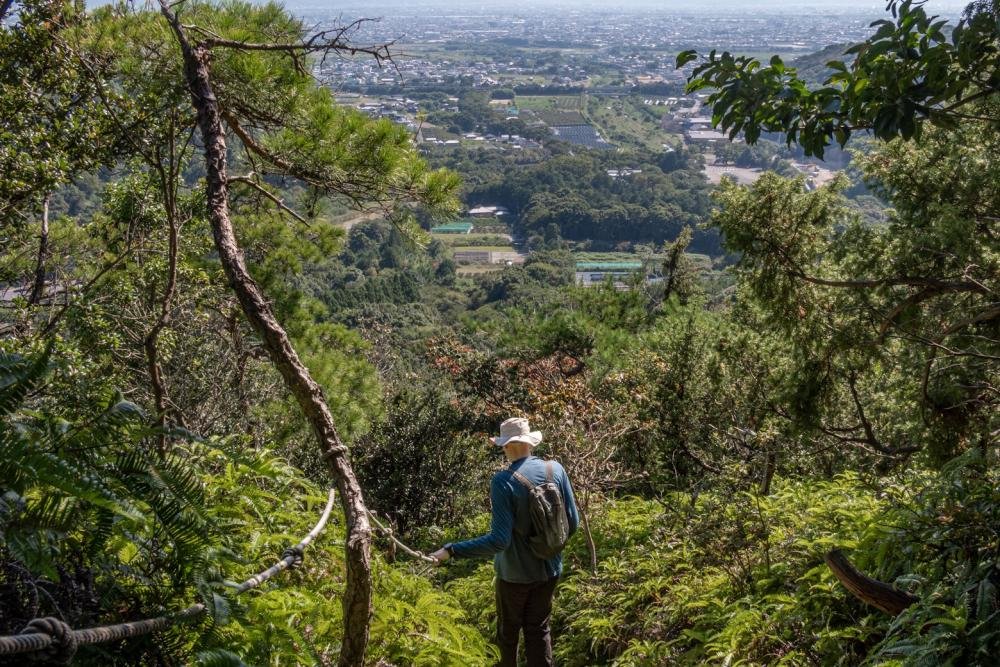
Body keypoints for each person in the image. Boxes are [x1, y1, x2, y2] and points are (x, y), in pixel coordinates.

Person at [430, 417, 579, 667]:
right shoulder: (556, 470)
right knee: (539, 630)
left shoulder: (503, 481)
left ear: (506, 446)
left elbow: (499, 541)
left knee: (508, 635)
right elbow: (572, 524)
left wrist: (452, 550)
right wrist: (546, 547)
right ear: (529, 442)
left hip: (514, 576)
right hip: (550, 570)